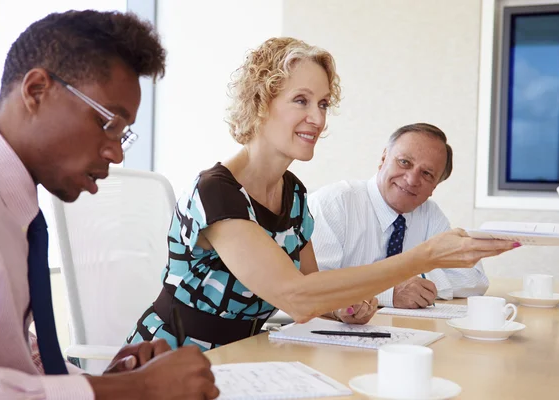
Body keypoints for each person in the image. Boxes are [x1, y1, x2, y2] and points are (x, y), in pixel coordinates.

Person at [127, 37, 516, 352]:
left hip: (247, 354)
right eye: (301, 100)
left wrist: (345, 307)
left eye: (323, 103)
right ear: (261, 102)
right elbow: (296, 297)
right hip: (173, 360)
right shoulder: (217, 193)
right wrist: (426, 255)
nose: (318, 117)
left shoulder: (292, 194)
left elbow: (314, 287)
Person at [0, 10, 218, 400]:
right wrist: (136, 388)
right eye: (109, 123)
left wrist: (112, 379)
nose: (117, 154)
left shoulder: (12, 206)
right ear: (36, 90)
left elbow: (5, 351)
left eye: (125, 134)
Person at [309, 123, 491, 309]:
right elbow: (312, 286)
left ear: (434, 187)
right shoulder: (334, 203)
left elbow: (474, 279)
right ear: (383, 158)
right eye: (404, 162)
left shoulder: (429, 213)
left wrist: (412, 280)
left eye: (427, 174)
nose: (412, 180)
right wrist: (389, 291)